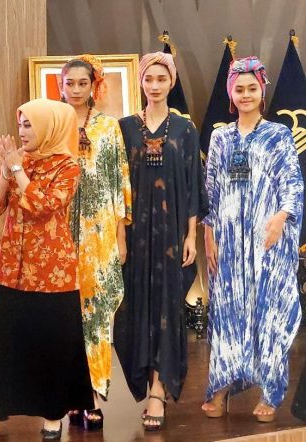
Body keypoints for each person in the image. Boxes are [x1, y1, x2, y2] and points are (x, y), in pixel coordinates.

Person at [0, 98, 93, 441]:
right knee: (7, 342)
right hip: (12, 265)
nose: (22, 132)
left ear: (48, 127)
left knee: (50, 343)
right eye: (20, 124)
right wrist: (5, 171)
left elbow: (44, 205)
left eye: (29, 125)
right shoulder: (18, 160)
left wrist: (18, 170)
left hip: (51, 271)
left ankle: (53, 413)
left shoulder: (68, 165)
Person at [202, 56, 303, 423]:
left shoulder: (278, 134)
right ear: (231, 94)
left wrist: (281, 217)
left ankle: (270, 393)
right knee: (228, 311)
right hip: (228, 242)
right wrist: (209, 234)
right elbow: (210, 191)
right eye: (239, 89)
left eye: (251, 88)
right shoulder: (220, 137)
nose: (245, 95)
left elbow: (292, 183)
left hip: (267, 241)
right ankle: (221, 387)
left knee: (267, 312)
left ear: (262, 91)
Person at [113, 52, 207, 431]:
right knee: (136, 307)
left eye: (161, 79)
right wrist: (119, 235)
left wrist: (191, 235)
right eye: (148, 79)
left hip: (171, 233)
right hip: (135, 234)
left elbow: (193, 184)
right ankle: (142, 378)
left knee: (167, 306)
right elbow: (116, 187)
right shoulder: (123, 128)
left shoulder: (185, 130)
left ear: (172, 83)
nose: (154, 85)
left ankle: (158, 388)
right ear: (140, 82)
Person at [59, 55, 132, 430]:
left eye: (82, 83)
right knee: (66, 315)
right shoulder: (51, 124)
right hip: (60, 230)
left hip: (100, 231)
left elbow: (120, 180)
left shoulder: (108, 126)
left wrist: (120, 233)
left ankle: (95, 395)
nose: (75, 89)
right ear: (61, 85)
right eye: (69, 83)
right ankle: (70, 395)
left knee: (98, 314)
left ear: (93, 86)